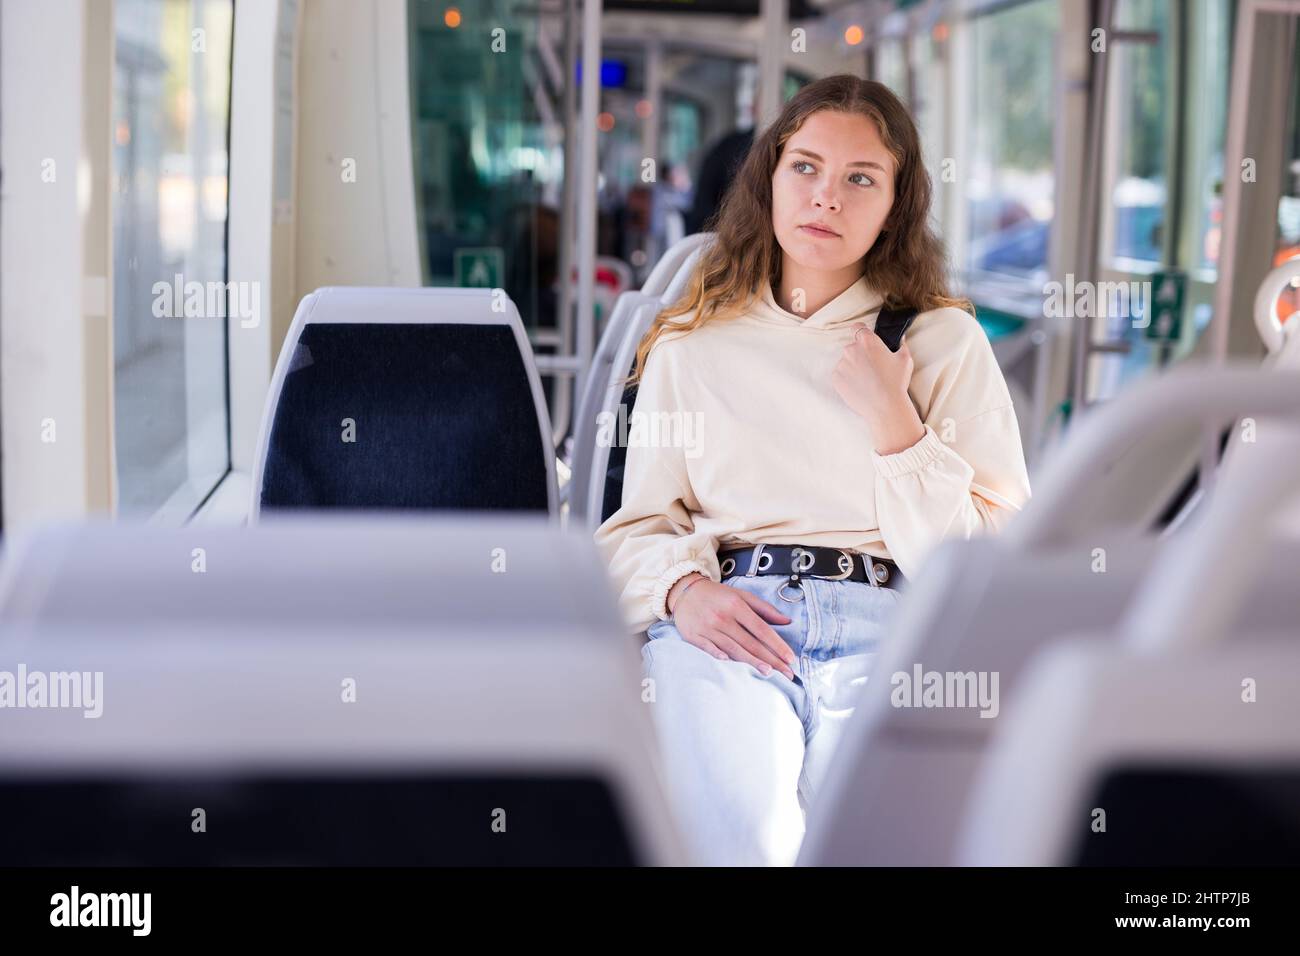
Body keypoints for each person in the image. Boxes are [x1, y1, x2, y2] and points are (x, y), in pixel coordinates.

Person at [593, 74, 1031, 866]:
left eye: (860, 179)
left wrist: (895, 423)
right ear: (770, 179)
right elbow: (633, 533)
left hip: (893, 628)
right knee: (745, 844)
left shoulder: (942, 344)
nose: (826, 197)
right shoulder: (692, 344)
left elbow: (988, 567)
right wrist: (683, 592)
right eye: (806, 168)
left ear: (896, 206)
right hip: (734, 619)